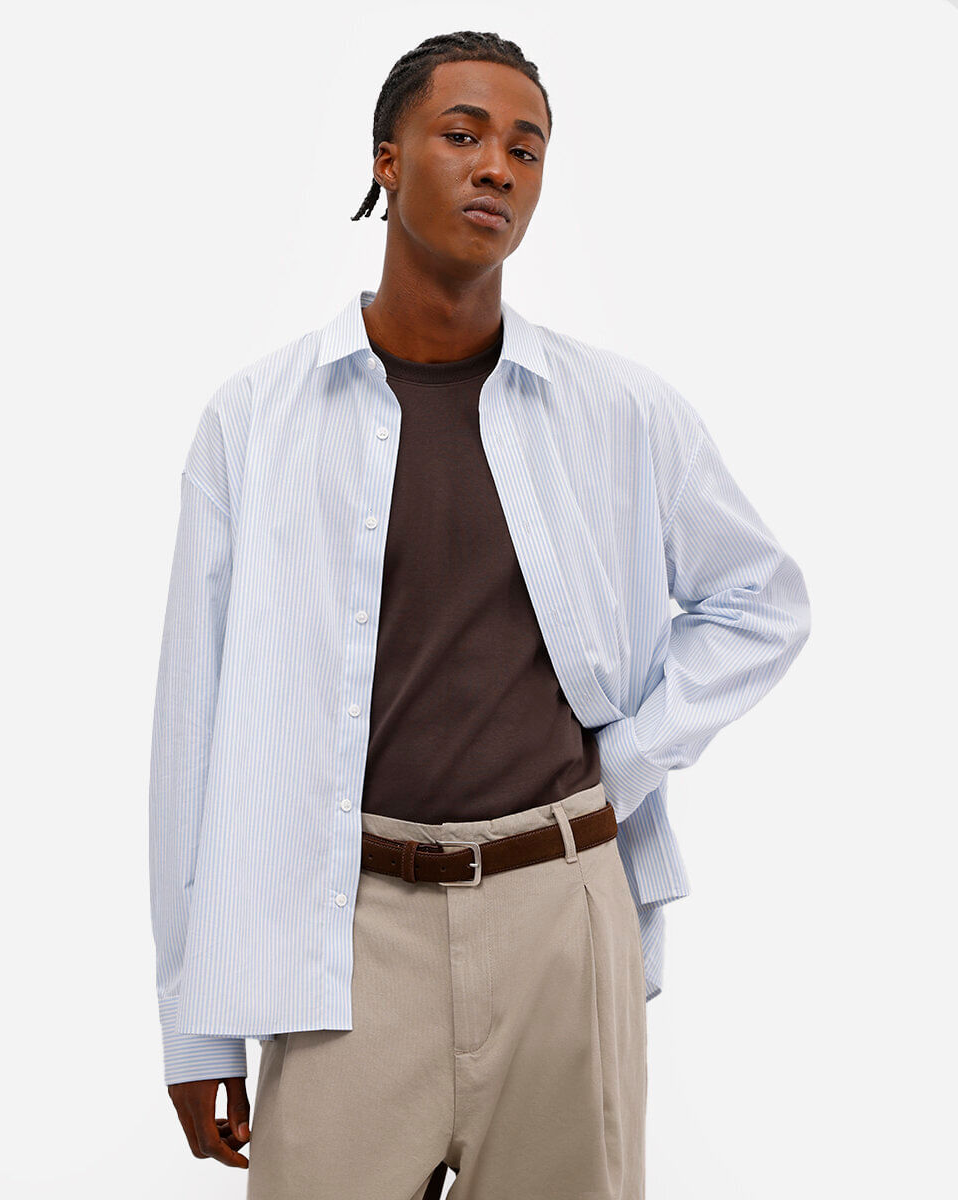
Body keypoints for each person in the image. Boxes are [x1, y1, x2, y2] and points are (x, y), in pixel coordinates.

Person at [148, 29, 811, 1200]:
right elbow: (192, 735)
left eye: (525, 148)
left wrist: (627, 762)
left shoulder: (617, 411)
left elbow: (762, 601)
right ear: (386, 159)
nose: (497, 166)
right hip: (343, 934)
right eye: (462, 135)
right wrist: (195, 1027)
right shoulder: (254, 422)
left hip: (561, 914)